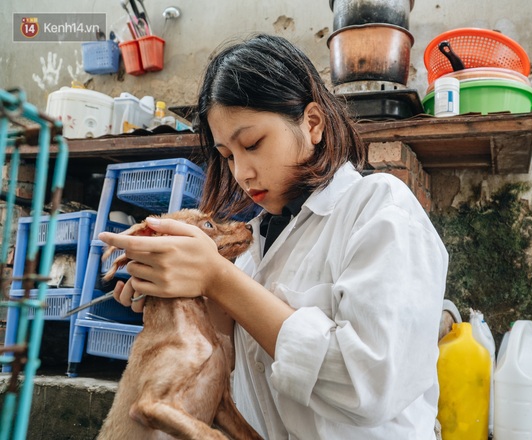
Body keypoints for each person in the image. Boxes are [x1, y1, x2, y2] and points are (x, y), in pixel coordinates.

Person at [99, 33, 449, 440]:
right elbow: (220, 368)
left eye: (253, 143)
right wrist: (176, 299)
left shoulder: (380, 209)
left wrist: (218, 278)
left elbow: (368, 386)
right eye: (228, 156)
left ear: (312, 123)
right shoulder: (253, 249)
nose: (242, 172)